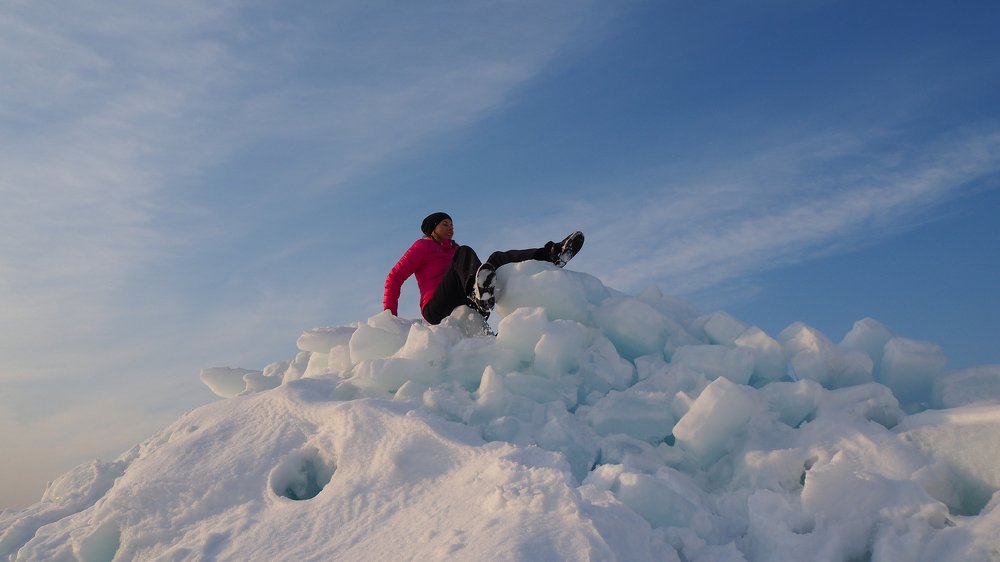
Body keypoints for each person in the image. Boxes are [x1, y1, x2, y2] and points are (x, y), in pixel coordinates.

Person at [384, 212, 584, 325]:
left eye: (452, 224)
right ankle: (477, 292)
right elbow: (394, 278)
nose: (451, 228)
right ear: (433, 228)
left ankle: (551, 255)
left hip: (465, 303)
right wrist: (389, 320)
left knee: (497, 257)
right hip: (435, 309)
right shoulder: (423, 246)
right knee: (464, 252)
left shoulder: (453, 249)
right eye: (445, 224)